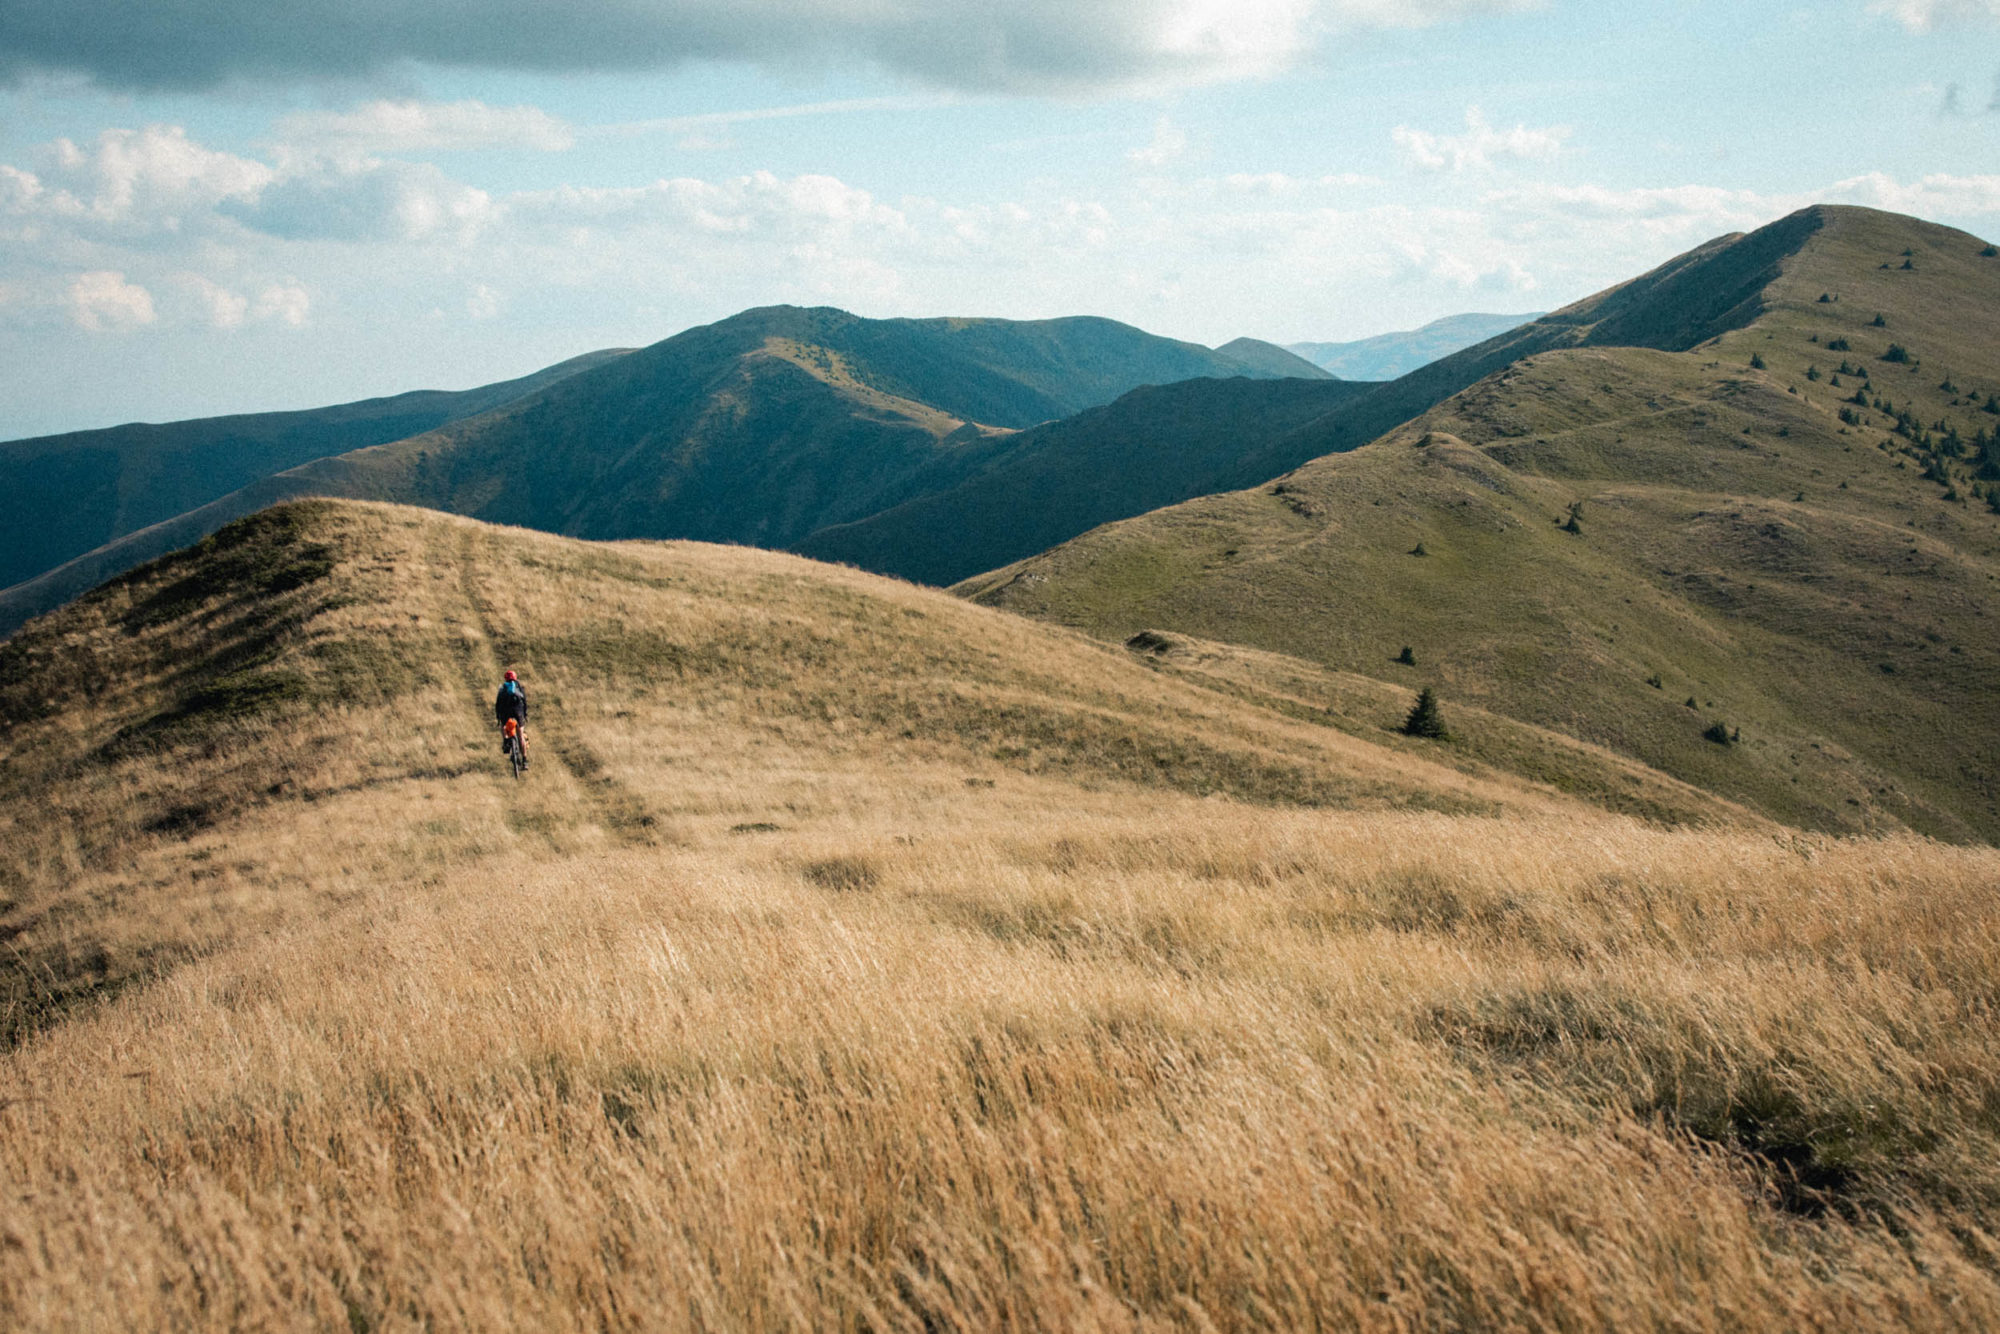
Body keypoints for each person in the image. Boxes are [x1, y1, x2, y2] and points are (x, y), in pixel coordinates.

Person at [495, 668, 528, 768]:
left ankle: (506, 741)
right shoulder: (519, 687)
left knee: (503, 726)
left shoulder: (502, 688)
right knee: (520, 735)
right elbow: (524, 702)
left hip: (505, 712)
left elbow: (497, 704)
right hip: (518, 712)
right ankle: (525, 761)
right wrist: (525, 714)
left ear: (505, 679)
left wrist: (498, 717)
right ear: (515, 678)